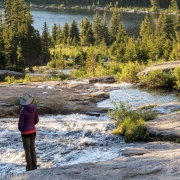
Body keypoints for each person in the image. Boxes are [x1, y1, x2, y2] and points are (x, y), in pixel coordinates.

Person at [18, 93, 39, 171]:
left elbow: (20, 125)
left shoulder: (23, 111)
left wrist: (22, 130)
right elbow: (36, 120)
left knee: (27, 151)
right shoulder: (34, 108)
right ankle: (34, 166)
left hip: (25, 133)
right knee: (32, 148)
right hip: (33, 131)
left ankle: (29, 168)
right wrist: (31, 125)